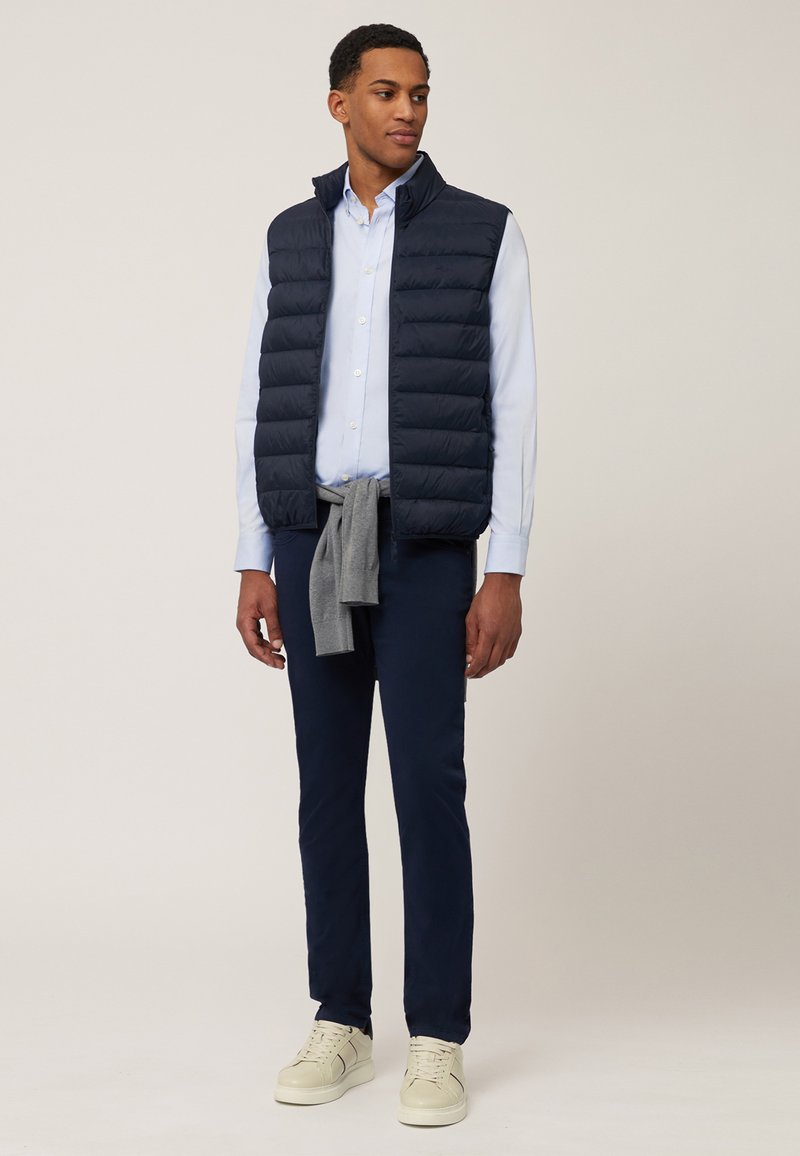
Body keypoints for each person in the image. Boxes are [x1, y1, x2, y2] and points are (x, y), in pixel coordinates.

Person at [233, 23, 537, 1128]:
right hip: (312, 540)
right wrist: (253, 553)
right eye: (385, 92)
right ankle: (343, 1019)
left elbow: (514, 402)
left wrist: (503, 567)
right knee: (326, 789)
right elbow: (260, 397)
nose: (407, 110)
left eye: (419, 93)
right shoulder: (291, 235)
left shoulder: (483, 233)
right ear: (339, 104)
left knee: (426, 789)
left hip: (423, 547)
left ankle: (438, 1035)